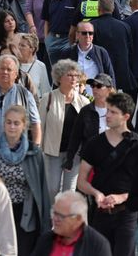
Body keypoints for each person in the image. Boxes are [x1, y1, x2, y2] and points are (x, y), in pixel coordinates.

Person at [78, 92, 138, 256]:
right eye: (107, 110)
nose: (107, 115)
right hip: (99, 213)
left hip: (127, 214)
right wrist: (96, 194)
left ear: (126, 116)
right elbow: (81, 181)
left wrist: (121, 197)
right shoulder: (94, 144)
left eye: (113, 112)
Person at [0, 105, 52, 253]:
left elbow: (42, 188)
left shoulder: (33, 152)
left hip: (25, 213)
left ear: (24, 125)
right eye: (9, 122)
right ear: (4, 123)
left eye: (16, 123)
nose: (12, 127)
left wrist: (46, 224)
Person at [39, 60, 91, 195]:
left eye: (76, 75)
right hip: (53, 153)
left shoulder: (84, 102)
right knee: (52, 190)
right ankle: (51, 215)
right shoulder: (48, 98)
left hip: (74, 154)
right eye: (70, 75)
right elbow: (40, 126)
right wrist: (39, 149)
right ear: (59, 78)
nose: (74, 79)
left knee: (70, 191)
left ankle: (67, 216)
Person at [31, 191, 112, 256]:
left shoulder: (97, 245)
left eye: (60, 216)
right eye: (54, 213)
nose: (55, 219)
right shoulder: (46, 240)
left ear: (78, 219)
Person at [87, 0, 137, 94]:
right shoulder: (124, 26)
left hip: (98, 70)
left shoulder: (92, 25)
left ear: (98, 9)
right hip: (120, 70)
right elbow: (130, 50)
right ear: (113, 8)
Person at [42, 0, 83, 65]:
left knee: (68, 69)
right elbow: (46, 20)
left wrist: (75, 40)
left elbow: (80, 21)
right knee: (54, 71)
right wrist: (46, 39)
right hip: (52, 39)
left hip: (68, 39)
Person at [67, 22, 117, 92]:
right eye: (84, 33)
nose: (87, 36)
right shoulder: (68, 53)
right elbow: (60, 77)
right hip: (74, 97)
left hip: (97, 97)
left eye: (90, 33)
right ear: (77, 35)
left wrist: (112, 97)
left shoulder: (101, 52)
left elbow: (110, 76)